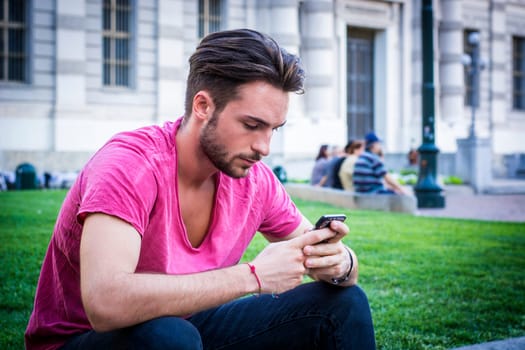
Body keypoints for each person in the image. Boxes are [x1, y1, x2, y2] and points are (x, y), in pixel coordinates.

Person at [25, 29, 375, 350]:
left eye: (274, 129)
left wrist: (341, 262)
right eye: (252, 125)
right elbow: (105, 303)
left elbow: (324, 255)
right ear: (203, 106)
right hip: (86, 340)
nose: (264, 146)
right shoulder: (129, 165)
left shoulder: (254, 179)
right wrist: (253, 276)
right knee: (169, 337)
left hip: (188, 330)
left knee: (344, 303)